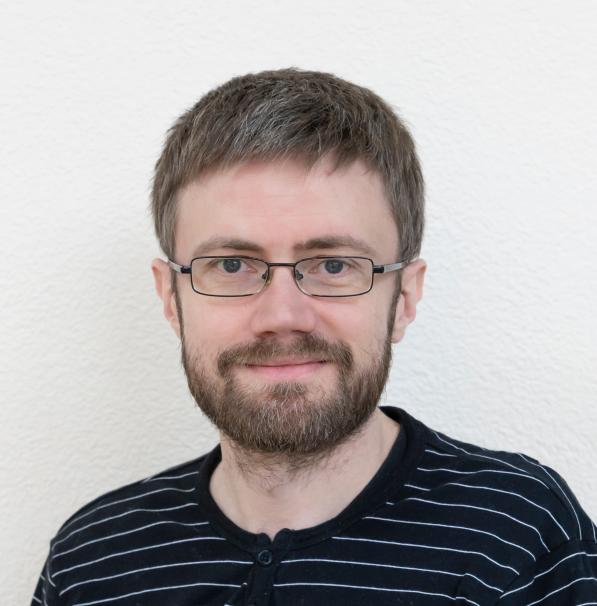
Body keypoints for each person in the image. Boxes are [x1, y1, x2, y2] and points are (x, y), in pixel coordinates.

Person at [32, 68, 596, 606]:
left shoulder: (520, 537)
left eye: (333, 265)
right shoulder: (91, 562)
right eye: (231, 265)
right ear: (170, 298)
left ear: (404, 296)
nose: (283, 315)